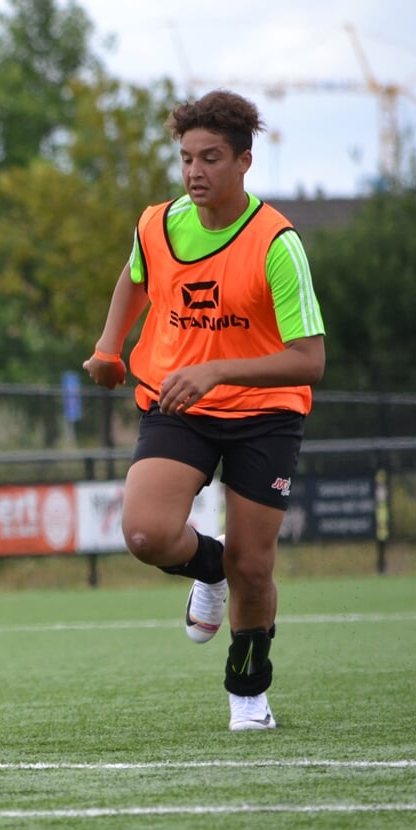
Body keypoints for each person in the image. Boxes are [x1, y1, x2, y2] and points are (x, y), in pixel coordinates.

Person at [82, 89, 326, 732]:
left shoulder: (277, 242)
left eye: (211, 158)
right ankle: (209, 570)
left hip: (264, 411)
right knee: (145, 534)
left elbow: (309, 360)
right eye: (187, 157)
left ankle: (248, 693)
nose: (195, 171)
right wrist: (109, 348)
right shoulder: (157, 223)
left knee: (256, 564)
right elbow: (135, 277)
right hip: (178, 402)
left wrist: (217, 369)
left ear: (244, 161)